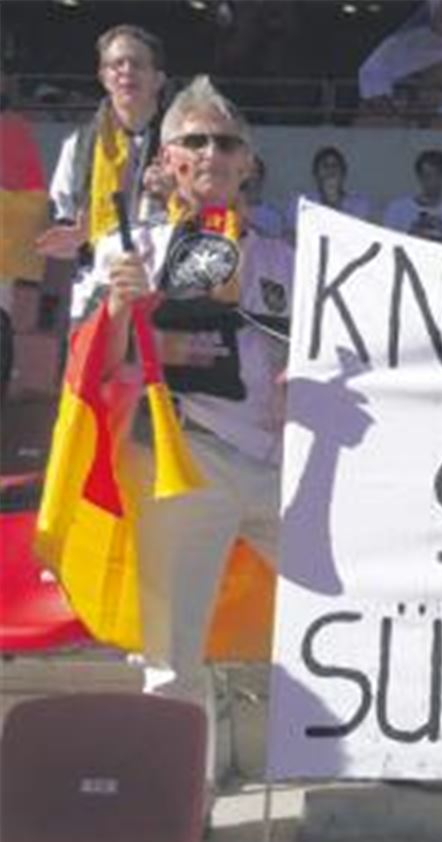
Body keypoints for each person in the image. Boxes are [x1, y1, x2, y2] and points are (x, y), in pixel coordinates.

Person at [68, 75, 293, 792]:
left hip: (280, 462)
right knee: (172, 656)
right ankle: (176, 806)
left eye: (227, 142)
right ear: (165, 160)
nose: (211, 153)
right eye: (193, 140)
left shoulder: (290, 258)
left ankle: (397, 754)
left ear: (248, 163)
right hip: (178, 457)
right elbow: (87, 372)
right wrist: (123, 318)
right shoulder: (124, 253)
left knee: (359, 602)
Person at [36, 25, 168, 262]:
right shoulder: (78, 146)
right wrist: (75, 236)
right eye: (117, 64)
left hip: (164, 274)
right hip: (97, 277)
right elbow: (62, 215)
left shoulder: (184, 144)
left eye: (137, 64)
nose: (126, 71)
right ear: (103, 77)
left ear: (158, 79)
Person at [382, 149, 442, 247]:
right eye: (428, 176)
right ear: (419, 177)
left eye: (438, 176)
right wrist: (412, 233)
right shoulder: (398, 210)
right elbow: (387, 244)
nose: (433, 182)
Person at [287, 145, 373, 239]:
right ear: (315, 173)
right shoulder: (301, 203)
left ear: (343, 172)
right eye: (325, 166)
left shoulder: (359, 204)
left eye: (335, 165)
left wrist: (333, 198)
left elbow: (361, 237)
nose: (330, 170)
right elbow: (292, 237)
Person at [242, 154, 286, 240]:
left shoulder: (273, 217)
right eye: (245, 171)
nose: (250, 176)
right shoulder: (218, 210)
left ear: (261, 177)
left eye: (254, 171)